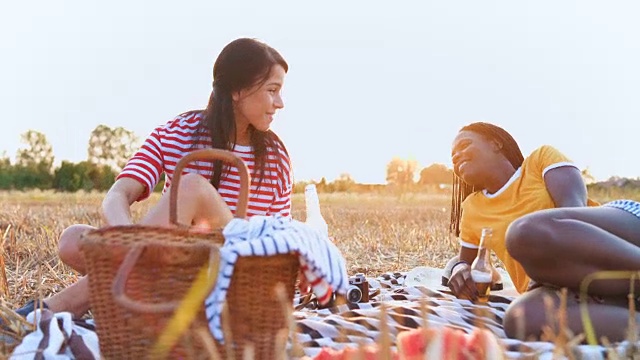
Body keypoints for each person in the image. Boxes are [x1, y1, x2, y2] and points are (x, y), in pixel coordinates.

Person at [14, 37, 293, 319]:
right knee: (73, 240)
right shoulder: (177, 133)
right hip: (171, 268)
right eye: (273, 90)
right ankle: (156, 294)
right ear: (237, 90)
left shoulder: (276, 157)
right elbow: (118, 195)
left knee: (193, 187)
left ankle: (59, 306)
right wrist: (130, 240)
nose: (279, 103)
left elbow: (281, 245)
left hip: (235, 277)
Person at [446, 121, 640, 342]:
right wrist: (459, 270)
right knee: (520, 318)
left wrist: (547, 267)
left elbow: (573, 209)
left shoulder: (540, 159)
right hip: (582, 288)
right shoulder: (471, 208)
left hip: (623, 237)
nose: (456, 156)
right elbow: (469, 264)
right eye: (452, 155)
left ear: (496, 143)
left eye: (464, 145)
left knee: (523, 233)